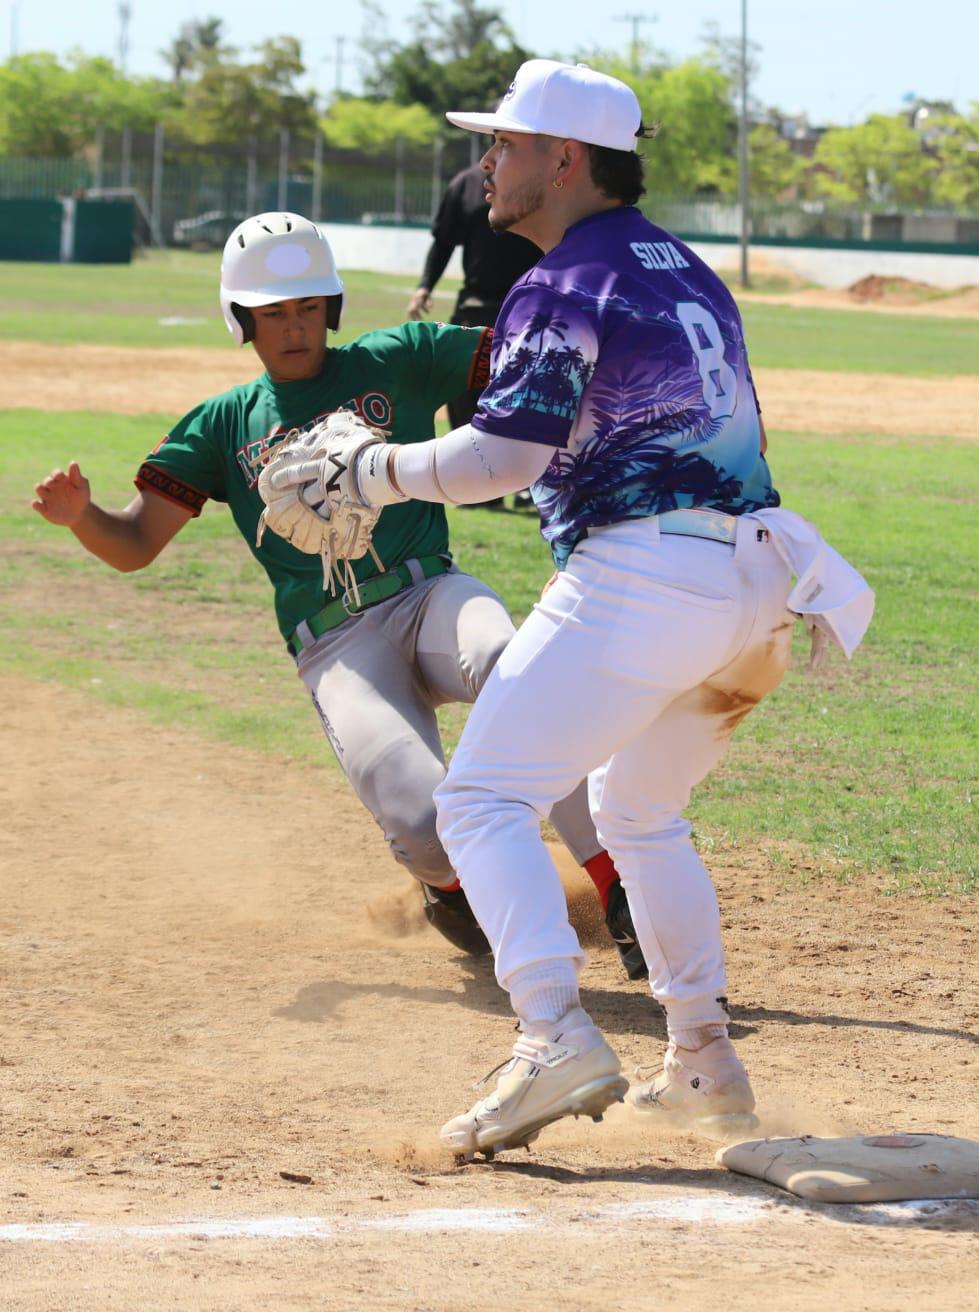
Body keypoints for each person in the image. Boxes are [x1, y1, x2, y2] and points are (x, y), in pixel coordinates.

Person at [316, 60, 874, 1158]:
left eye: (507, 145)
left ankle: (551, 1036)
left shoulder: (565, 277)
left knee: (476, 801)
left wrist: (374, 472)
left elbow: (502, 457)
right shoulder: (682, 267)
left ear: (564, 159)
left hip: (648, 575)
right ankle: (704, 1059)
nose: (489, 164)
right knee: (633, 812)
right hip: (757, 580)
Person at [30, 209, 648, 976]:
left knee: (508, 663)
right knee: (423, 820)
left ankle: (623, 892)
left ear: (333, 307)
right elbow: (135, 541)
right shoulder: (223, 424)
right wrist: (80, 515)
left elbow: (533, 363)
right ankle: (451, 891)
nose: (295, 326)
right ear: (241, 320)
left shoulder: (403, 355)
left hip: (430, 593)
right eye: (273, 312)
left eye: (309, 308)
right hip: (338, 644)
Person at [407, 162, 539, 510]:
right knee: (463, 390)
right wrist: (424, 287)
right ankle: (478, 485)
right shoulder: (466, 184)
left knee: (522, 398)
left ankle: (527, 484)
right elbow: (444, 242)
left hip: (533, 304)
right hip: (477, 305)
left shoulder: (543, 182)